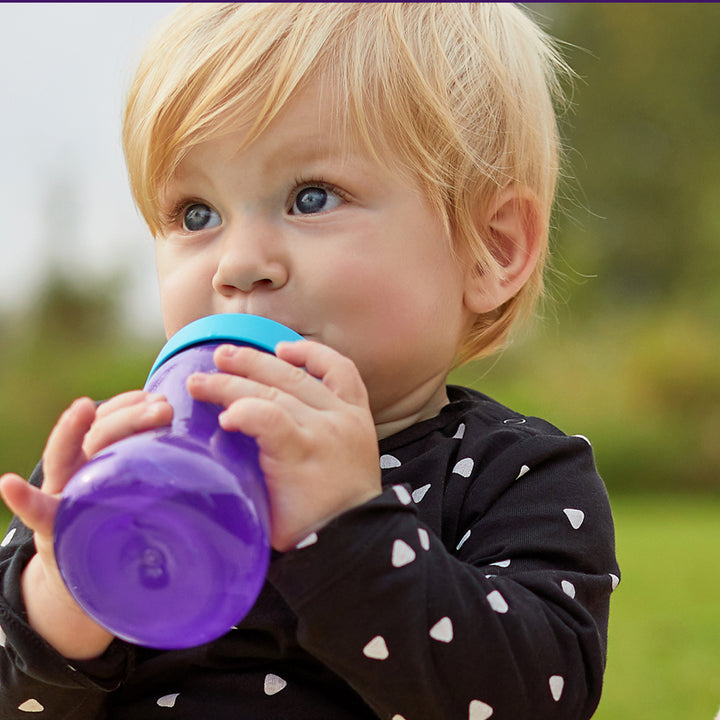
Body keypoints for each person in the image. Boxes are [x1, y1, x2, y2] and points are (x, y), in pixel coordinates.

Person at [0, 3, 620, 719]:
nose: (238, 264)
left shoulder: (511, 475)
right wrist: (64, 592)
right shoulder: (121, 465)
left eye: (312, 197)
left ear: (491, 248)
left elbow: (538, 697)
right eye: (196, 214)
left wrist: (349, 529)